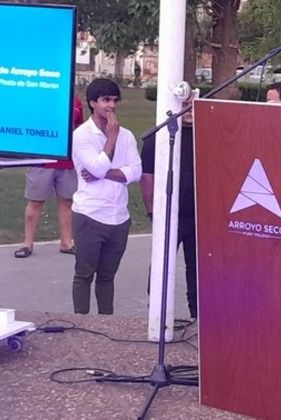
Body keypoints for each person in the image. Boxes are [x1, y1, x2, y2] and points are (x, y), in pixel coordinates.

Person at [71, 78, 141, 314]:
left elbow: (136, 172)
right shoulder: (82, 135)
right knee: (84, 275)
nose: (111, 105)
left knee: (107, 276)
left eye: (113, 100)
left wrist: (104, 173)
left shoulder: (128, 136)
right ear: (92, 103)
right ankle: (81, 324)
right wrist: (111, 138)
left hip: (118, 218)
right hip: (90, 215)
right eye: (105, 100)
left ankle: (107, 325)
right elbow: (96, 169)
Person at [140, 94, 197, 319]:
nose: (189, 110)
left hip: (199, 215)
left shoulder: (208, 135)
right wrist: (153, 211)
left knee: (197, 269)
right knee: (162, 265)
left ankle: (197, 315)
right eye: (185, 105)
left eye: (193, 105)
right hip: (169, 214)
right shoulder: (160, 136)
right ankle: (157, 313)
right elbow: (147, 177)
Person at [14, 96, 84, 258]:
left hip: (67, 160)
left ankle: (66, 242)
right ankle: (27, 243)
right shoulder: (40, 98)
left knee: (67, 202)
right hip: (42, 159)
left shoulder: (76, 102)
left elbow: (79, 126)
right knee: (35, 202)